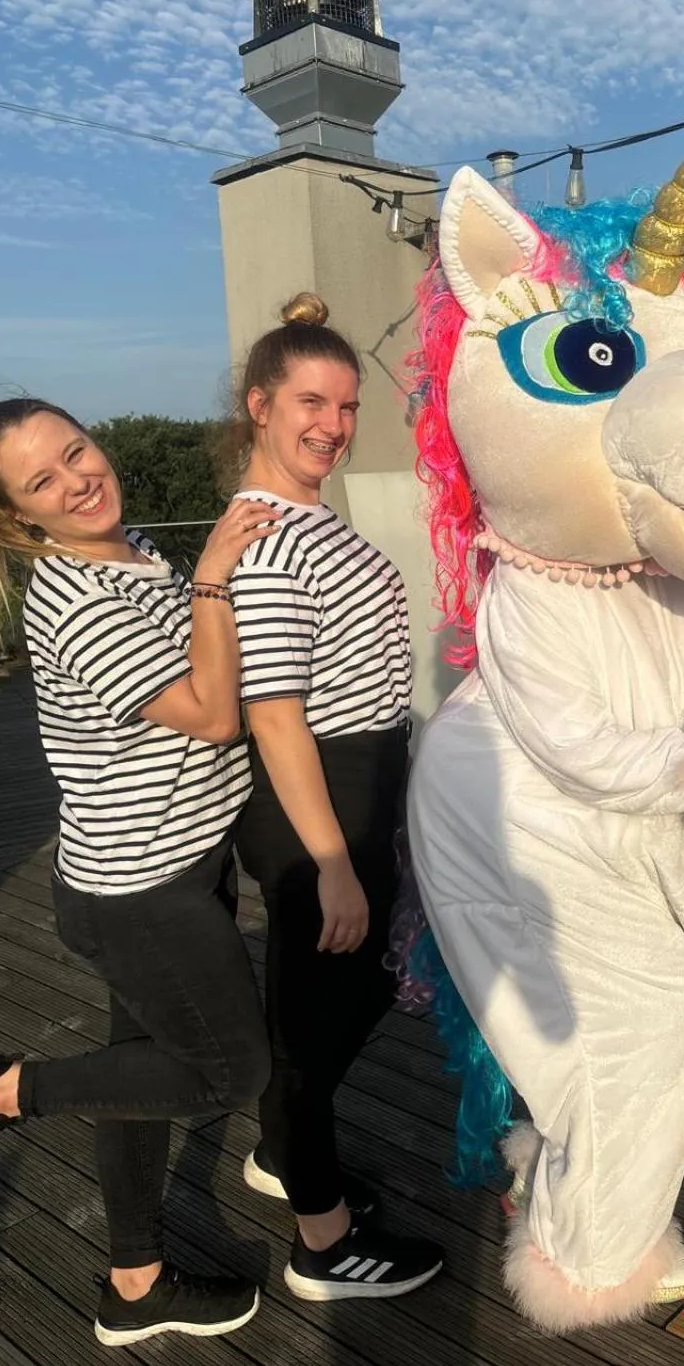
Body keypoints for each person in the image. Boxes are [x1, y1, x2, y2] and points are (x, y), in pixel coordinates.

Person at [0, 395, 279, 1345]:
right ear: (18, 515)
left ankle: (134, 1283)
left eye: (75, 451)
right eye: (43, 480)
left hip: (179, 864)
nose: (78, 479)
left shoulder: (135, 556)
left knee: (141, 1070)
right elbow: (212, 712)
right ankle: (1, 1090)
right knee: (227, 1070)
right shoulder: (76, 597)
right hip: (138, 890)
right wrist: (215, 575)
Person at [228, 293, 444, 1302]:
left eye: (349, 405)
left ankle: (283, 1152)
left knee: (349, 995)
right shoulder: (266, 537)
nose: (333, 424)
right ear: (259, 404)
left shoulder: (308, 517)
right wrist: (329, 861)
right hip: (316, 786)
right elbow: (273, 713)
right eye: (312, 401)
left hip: (361, 773)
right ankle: (321, 1243)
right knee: (316, 1024)